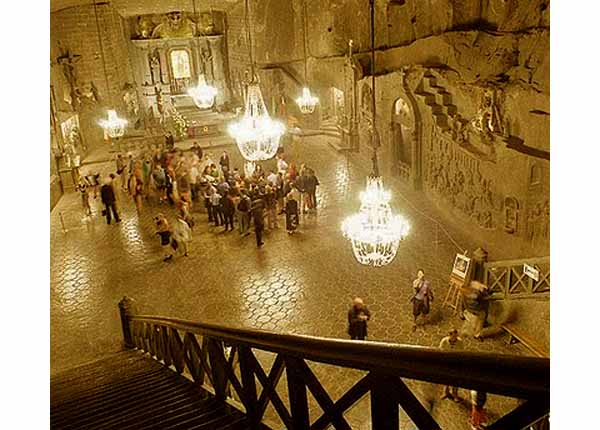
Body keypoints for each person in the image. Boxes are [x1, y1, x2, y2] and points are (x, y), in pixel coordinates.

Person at [439, 329, 463, 401]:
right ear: (449, 335)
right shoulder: (444, 341)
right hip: (446, 363)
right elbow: (440, 350)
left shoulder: (460, 342)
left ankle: (455, 394)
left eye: (456, 336)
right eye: (453, 336)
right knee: (446, 379)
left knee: (455, 380)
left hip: (455, 363)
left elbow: (461, 352)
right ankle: (446, 392)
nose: (455, 338)